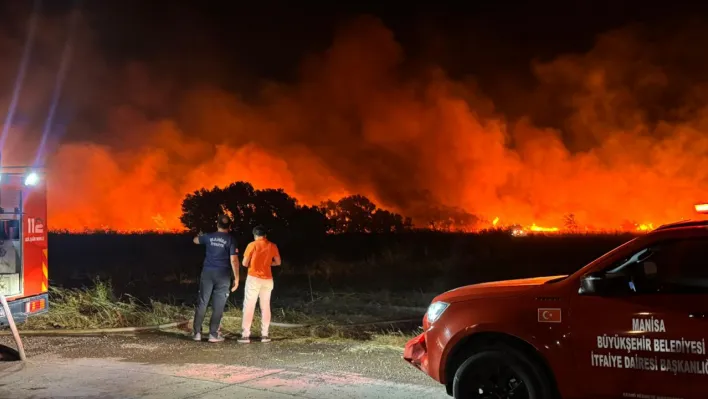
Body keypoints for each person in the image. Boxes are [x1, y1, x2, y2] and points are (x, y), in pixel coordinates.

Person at [192, 214, 239, 343]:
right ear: (229, 226)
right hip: (223, 275)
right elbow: (234, 260)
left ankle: (197, 333)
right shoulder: (231, 239)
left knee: (202, 302)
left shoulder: (209, 237)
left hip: (207, 273)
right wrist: (237, 278)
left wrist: (200, 235)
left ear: (217, 224)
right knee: (218, 305)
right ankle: (213, 334)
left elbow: (195, 240)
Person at [238, 225, 281, 343]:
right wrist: (267, 264)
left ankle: (246, 335)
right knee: (265, 306)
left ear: (255, 235)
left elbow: (245, 263)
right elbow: (278, 262)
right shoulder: (272, 246)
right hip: (268, 279)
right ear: (265, 235)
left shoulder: (252, 245)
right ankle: (265, 335)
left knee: (249, 306)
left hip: (253, 279)